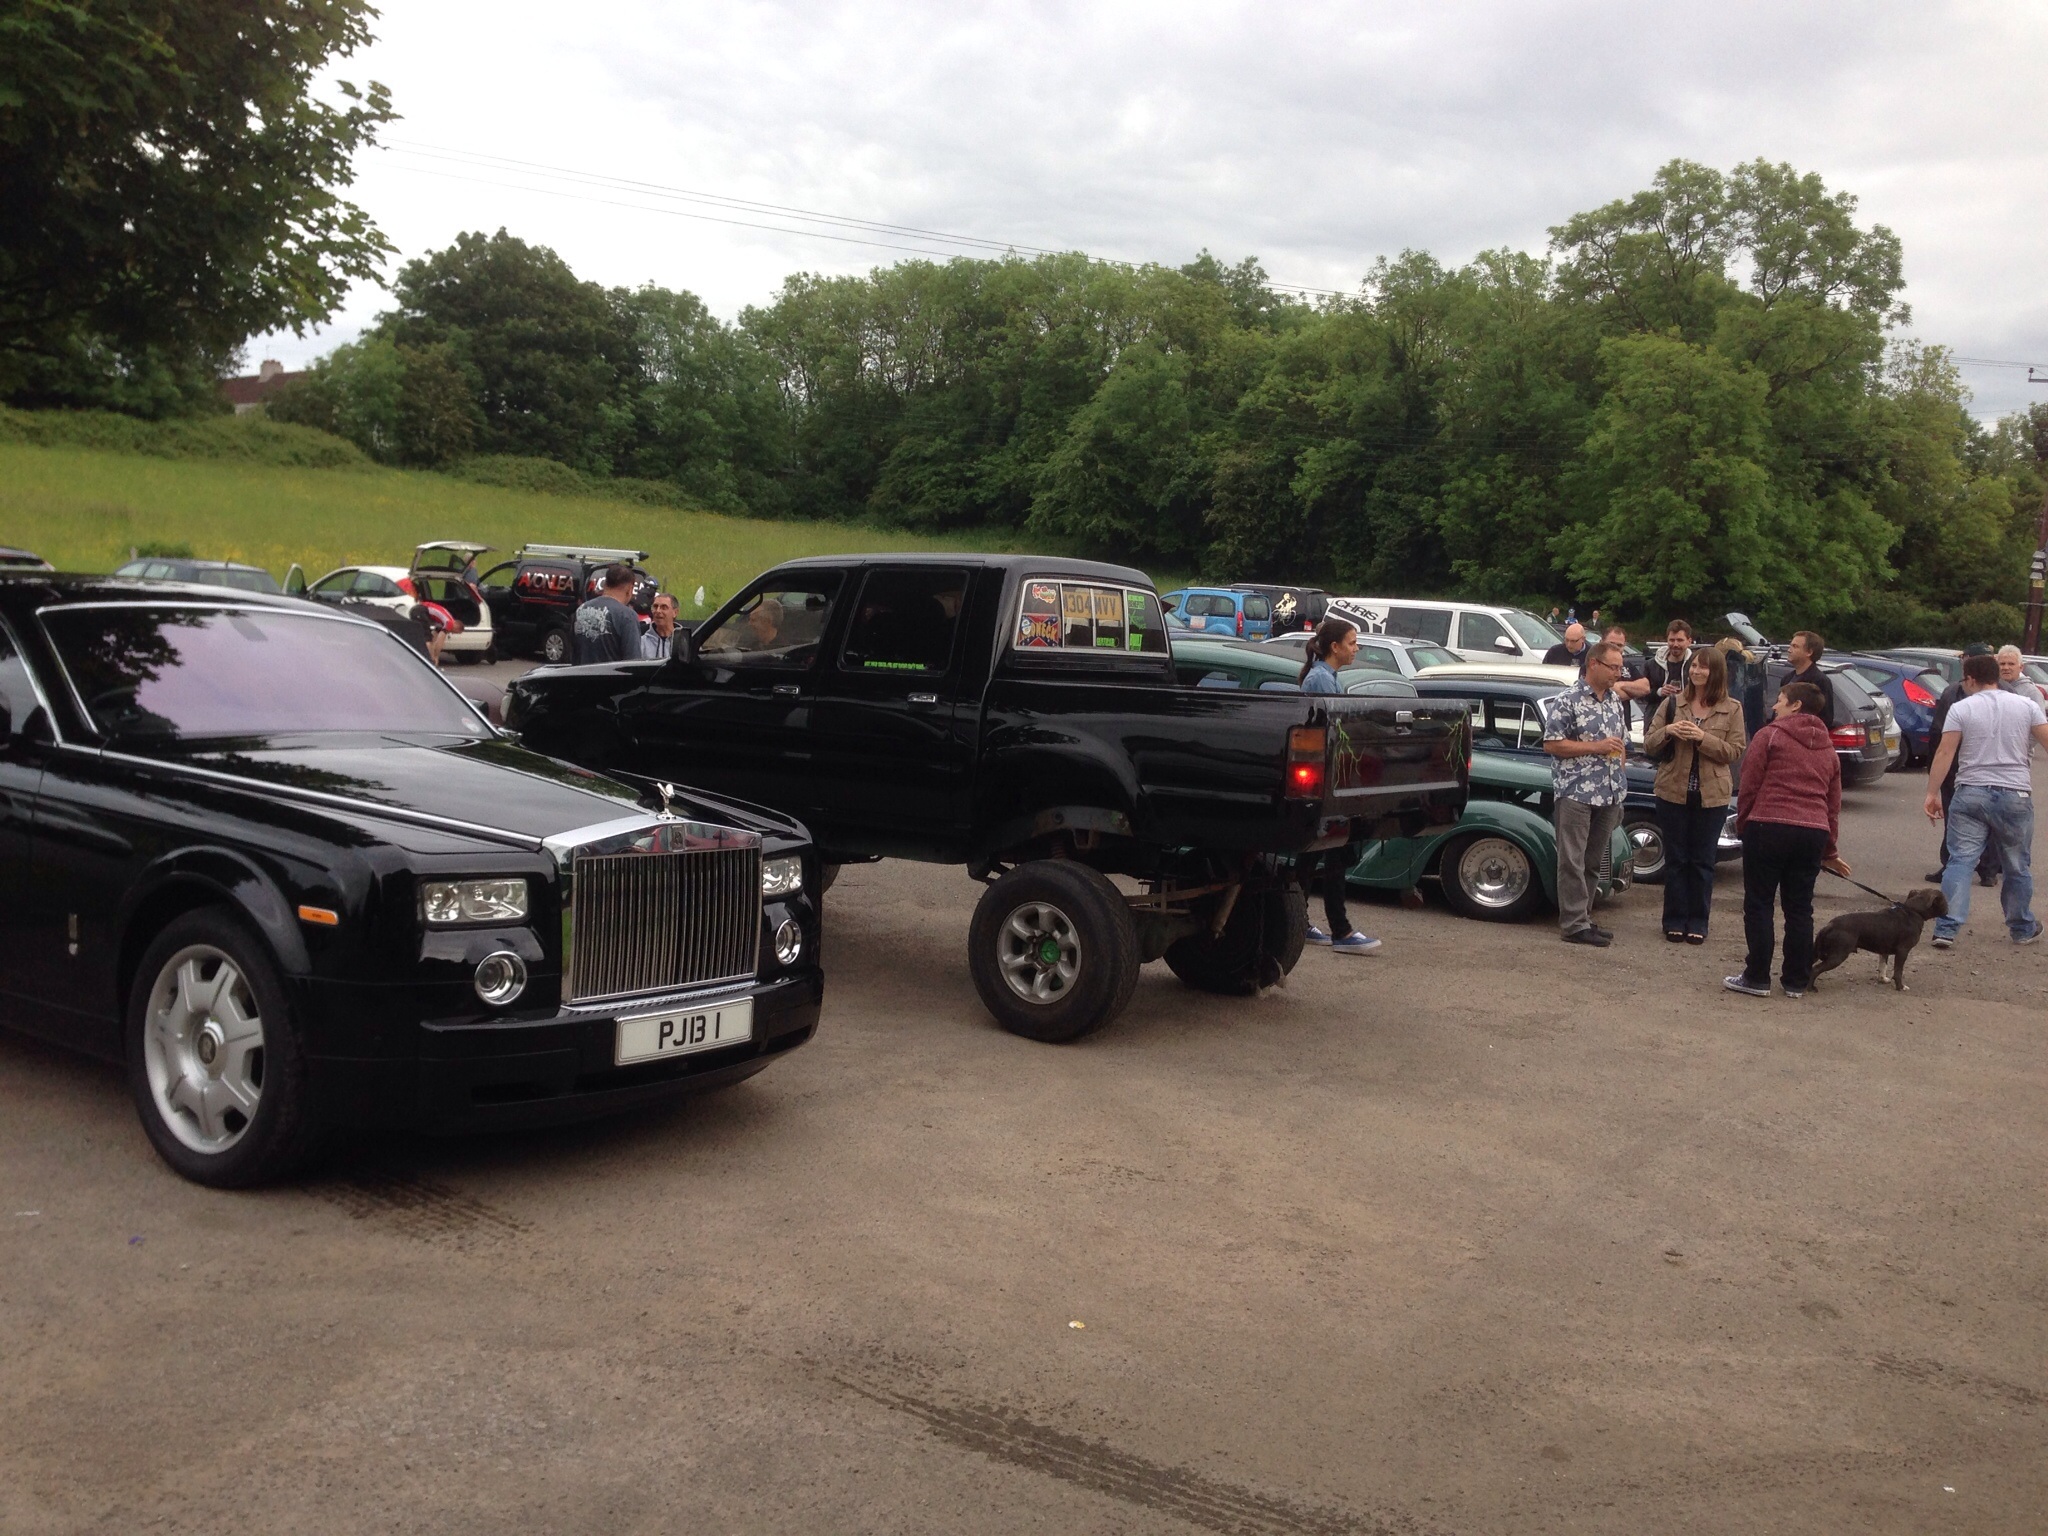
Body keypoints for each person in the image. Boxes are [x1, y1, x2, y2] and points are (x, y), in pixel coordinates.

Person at [1725, 681, 1847, 998]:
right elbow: (1833, 806)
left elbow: (1749, 785)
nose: (1774, 706)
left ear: (1795, 705)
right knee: (1799, 908)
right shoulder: (1829, 750)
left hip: (1768, 826)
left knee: (1760, 904)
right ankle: (1796, 980)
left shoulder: (1770, 736)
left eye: (1779, 700)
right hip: (1813, 831)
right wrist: (1829, 848)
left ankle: (1757, 977)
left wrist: (1744, 823)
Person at [1924, 651, 2048, 948]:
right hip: (2014, 794)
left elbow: (1945, 753)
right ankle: (2021, 927)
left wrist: (1932, 792)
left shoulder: (1961, 709)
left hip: (1970, 792)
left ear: (1970, 678)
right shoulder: (2028, 705)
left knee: (1960, 861)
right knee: (2017, 864)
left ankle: (1946, 928)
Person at [1643, 645, 1746, 944]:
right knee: (1676, 860)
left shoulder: (1733, 708)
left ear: (1716, 673)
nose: (1696, 672)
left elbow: (1735, 752)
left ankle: (1698, 921)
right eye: (1694, 667)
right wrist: (1670, 731)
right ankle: (1673, 920)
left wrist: (1703, 738)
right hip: (1672, 791)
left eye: (1703, 667)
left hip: (1711, 795)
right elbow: (1649, 743)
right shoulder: (1673, 703)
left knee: (1702, 862)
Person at [1299, 618, 1383, 957]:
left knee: (1315, 853)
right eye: (1352, 642)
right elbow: (1331, 733)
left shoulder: (1325, 676)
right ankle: (1341, 930)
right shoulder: (1321, 678)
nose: (1356, 648)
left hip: (1328, 781)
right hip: (1328, 782)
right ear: (1335, 647)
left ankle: (1300, 920)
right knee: (1332, 852)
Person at [1543, 639, 1630, 947]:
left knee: (1594, 861)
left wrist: (1619, 775)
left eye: (1620, 667)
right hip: (1576, 793)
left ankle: (1585, 917)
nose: (1618, 673)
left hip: (1609, 793)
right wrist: (1596, 747)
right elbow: (1552, 744)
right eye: (1613, 667)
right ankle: (1572, 923)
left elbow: (1621, 743)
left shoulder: (1614, 701)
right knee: (1572, 861)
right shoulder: (1567, 700)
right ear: (1594, 664)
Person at [1923, 643, 2002, 885]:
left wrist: (1933, 780)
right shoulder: (2006, 692)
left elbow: (1939, 735)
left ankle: (1970, 867)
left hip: (1970, 768)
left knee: (1965, 821)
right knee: (1974, 820)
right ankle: (1972, 868)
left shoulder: (1957, 694)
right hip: (1975, 770)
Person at [572, 564, 642, 665]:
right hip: (610, 679)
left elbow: (574, 654)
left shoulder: (580, 610)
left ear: (605, 584)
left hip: (580, 678)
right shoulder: (627, 616)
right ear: (630, 589)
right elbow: (633, 662)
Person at [1601, 623, 1655, 724]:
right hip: (1604, 726)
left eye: (1620, 645)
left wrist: (1620, 685)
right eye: (1611, 643)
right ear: (1601, 642)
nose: (1616, 648)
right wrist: (1633, 691)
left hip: (1625, 726)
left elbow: (1645, 687)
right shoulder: (1593, 666)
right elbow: (1606, 693)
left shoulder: (1628, 665)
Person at [1784, 631, 1835, 722]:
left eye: (1795, 646)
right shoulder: (1787, 678)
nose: (1789, 650)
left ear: (1809, 652)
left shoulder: (1819, 681)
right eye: (1790, 645)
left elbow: (1825, 718)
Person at [642, 592, 680, 659]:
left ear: (675, 612)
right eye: (655, 607)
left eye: (664, 607)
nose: (658, 611)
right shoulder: (641, 641)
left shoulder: (684, 641)